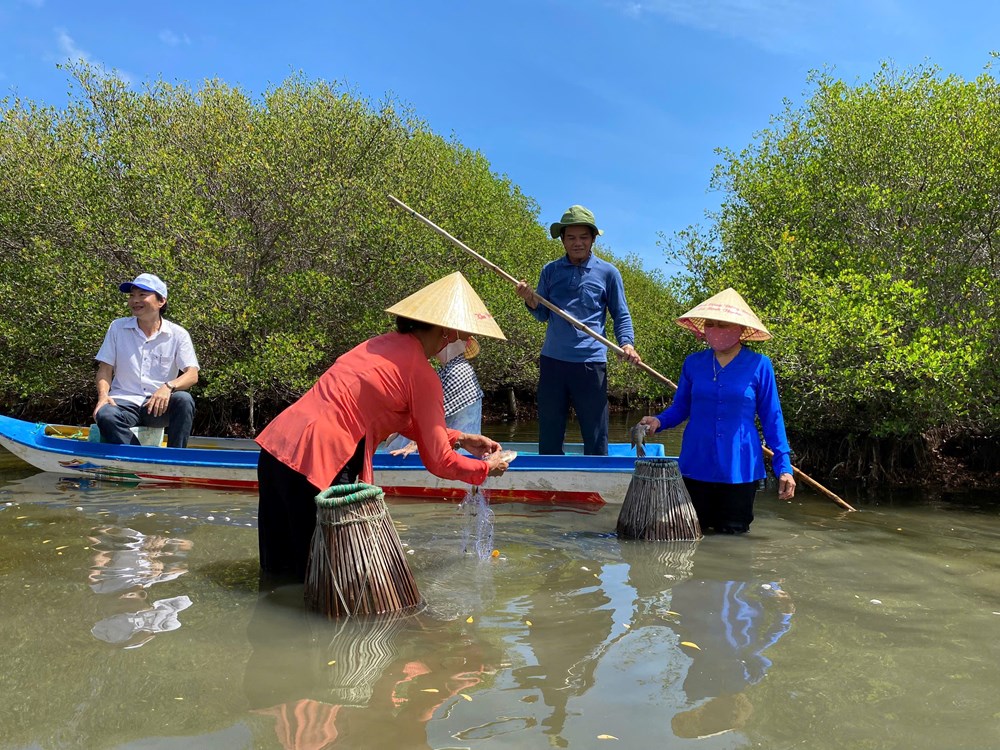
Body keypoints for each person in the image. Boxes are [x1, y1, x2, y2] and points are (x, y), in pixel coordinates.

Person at [255, 271, 511, 581]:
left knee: (277, 572)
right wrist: (485, 469)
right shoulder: (422, 372)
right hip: (324, 461)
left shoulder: (376, 346)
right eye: (461, 336)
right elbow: (439, 461)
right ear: (446, 331)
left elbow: (398, 416)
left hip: (277, 449)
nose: (462, 344)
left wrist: (460, 438)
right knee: (327, 578)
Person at [639, 288, 796, 534]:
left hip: (740, 467)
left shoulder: (759, 365)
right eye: (710, 325)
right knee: (691, 534)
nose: (715, 330)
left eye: (722, 325)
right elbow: (681, 407)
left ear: (739, 330)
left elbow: (772, 417)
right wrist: (658, 421)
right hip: (696, 462)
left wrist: (783, 467)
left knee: (733, 540)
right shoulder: (693, 363)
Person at [515, 205, 641, 456]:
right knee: (550, 431)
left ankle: (597, 481)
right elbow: (542, 314)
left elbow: (621, 313)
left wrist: (627, 343)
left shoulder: (609, 273)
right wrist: (530, 299)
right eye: (571, 237)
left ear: (593, 239)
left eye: (583, 237)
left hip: (591, 363)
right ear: (562, 240)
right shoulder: (550, 271)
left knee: (595, 432)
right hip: (552, 361)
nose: (577, 243)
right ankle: (550, 482)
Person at [93, 273, 199, 448]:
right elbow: (105, 369)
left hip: (157, 406)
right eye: (132, 296)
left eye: (142, 295)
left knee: (184, 400)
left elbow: (192, 374)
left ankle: (174, 458)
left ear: (161, 301)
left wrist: (168, 387)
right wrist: (103, 396)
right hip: (123, 403)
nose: (135, 300)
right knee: (105, 414)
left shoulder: (178, 334)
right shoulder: (117, 327)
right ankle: (138, 455)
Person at [383, 334, 484, 456]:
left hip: (458, 451)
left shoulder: (458, 370)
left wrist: (413, 445)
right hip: (448, 445)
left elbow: (433, 418)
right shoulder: (447, 369)